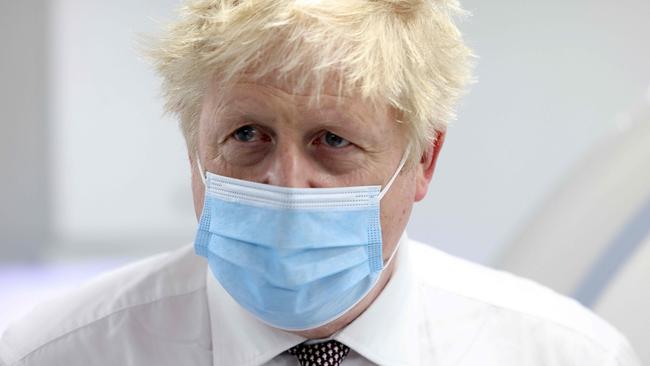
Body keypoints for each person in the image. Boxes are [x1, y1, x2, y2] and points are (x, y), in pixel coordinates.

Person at [0, 0, 641, 365]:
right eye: (247, 135)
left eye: (332, 141)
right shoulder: (58, 355)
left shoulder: (561, 356)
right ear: (191, 148)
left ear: (424, 161)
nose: (285, 182)